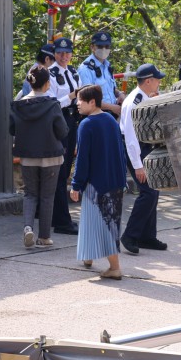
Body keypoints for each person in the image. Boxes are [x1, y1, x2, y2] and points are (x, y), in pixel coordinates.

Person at [71, 84, 128, 280]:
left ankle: (115, 267)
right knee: (100, 220)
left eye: (80, 100)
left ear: (92, 102)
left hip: (96, 183)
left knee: (104, 224)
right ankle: (88, 257)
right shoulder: (110, 120)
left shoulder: (86, 125)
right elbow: (120, 151)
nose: (77, 103)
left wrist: (76, 184)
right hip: (115, 179)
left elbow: (82, 159)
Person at [11, 65, 68, 249]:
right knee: (47, 196)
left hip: (28, 157)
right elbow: (62, 131)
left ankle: (28, 227)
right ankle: (44, 237)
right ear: (47, 84)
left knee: (30, 194)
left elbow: (12, 129)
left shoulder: (19, 105)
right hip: (51, 157)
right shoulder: (52, 105)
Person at [119, 64, 168, 255]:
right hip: (135, 148)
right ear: (148, 81)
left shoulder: (145, 97)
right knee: (148, 192)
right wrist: (138, 166)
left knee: (153, 190)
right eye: (157, 79)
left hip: (143, 146)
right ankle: (130, 235)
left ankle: (147, 236)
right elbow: (131, 137)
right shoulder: (135, 102)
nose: (159, 82)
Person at [48, 37, 82, 235]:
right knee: (60, 172)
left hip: (72, 121)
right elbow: (51, 104)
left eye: (67, 52)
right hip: (58, 121)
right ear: (54, 53)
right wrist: (69, 97)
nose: (64, 56)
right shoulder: (50, 74)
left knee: (65, 170)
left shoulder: (74, 72)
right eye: (60, 53)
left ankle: (59, 216)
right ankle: (61, 220)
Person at [78, 31, 124, 116]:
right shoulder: (86, 69)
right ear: (92, 47)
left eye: (107, 46)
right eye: (100, 46)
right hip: (96, 115)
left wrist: (119, 94)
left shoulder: (107, 65)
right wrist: (112, 107)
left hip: (112, 113)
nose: (104, 49)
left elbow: (111, 88)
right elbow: (89, 99)